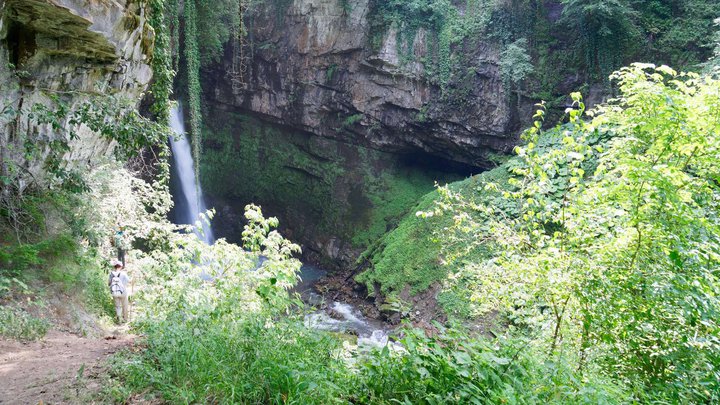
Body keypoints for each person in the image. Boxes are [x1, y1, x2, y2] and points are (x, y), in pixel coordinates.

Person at [108, 260, 131, 324]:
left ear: (114, 267)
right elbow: (129, 281)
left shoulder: (111, 274)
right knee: (125, 305)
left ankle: (119, 320)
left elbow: (109, 283)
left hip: (114, 292)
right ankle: (125, 319)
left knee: (117, 306)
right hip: (123, 292)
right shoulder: (123, 273)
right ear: (121, 266)